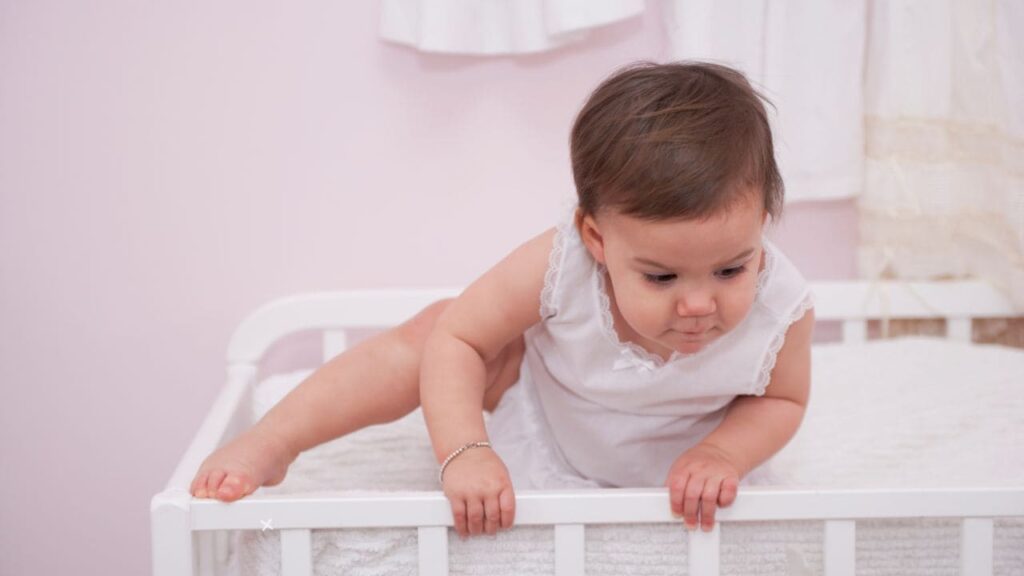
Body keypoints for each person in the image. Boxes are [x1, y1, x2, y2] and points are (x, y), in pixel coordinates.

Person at [190, 61, 815, 540]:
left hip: (687, 462)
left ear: (762, 221)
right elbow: (458, 338)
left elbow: (783, 398)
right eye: (661, 278)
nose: (700, 305)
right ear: (596, 238)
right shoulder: (561, 262)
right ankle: (275, 442)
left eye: (731, 268)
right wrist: (467, 450)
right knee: (439, 329)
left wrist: (723, 452)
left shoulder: (781, 306)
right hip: (544, 419)